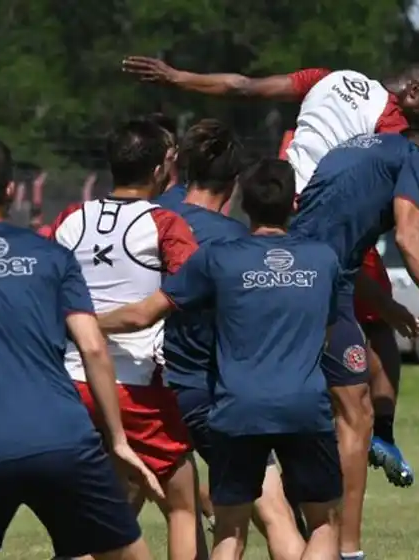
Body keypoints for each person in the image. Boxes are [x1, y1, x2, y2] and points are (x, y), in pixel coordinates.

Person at [121, 56, 419, 557]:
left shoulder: (327, 78)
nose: (416, 129)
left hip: (280, 222)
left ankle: (358, 443)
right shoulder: (391, 124)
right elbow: (410, 201)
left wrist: (179, 77)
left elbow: (243, 84)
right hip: (317, 236)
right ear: (409, 92)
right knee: (352, 400)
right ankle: (348, 533)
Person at [0, 136, 159, 560]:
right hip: (66, 440)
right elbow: (93, 348)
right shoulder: (52, 256)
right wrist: (118, 440)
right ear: (11, 191)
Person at [100, 159, 343, 560]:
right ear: (294, 204)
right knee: (322, 523)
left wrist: (86, 322)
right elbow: (328, 333)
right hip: (305, 406)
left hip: (237, 408)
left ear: (243, 203)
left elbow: (143, 313)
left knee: (229, 530)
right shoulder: (323, 259)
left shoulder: (219, 259)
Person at [290, 129, 419, 557]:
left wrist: (385, 305)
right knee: (357, 414)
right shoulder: (417, 157)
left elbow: (330, 249)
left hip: (295, 277)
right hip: (322, 293)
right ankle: (348, 549)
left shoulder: (353, 152)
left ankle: (296, 522)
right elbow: (407, 234)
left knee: (304, 407)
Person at [46, 120, 199, 560]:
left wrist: (73, 324)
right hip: (134, 385)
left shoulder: (71, 218)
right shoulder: (165, 223)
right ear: (157, 171)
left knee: (89, 509)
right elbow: (194, 287)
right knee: (183, 503)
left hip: (69, 382)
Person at [157, 119, 308, 559]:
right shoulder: (236, 245)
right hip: (211, 393)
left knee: (145, 514)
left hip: (147, 389)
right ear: (236, 182)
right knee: (272, 513)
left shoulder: (153, 215)